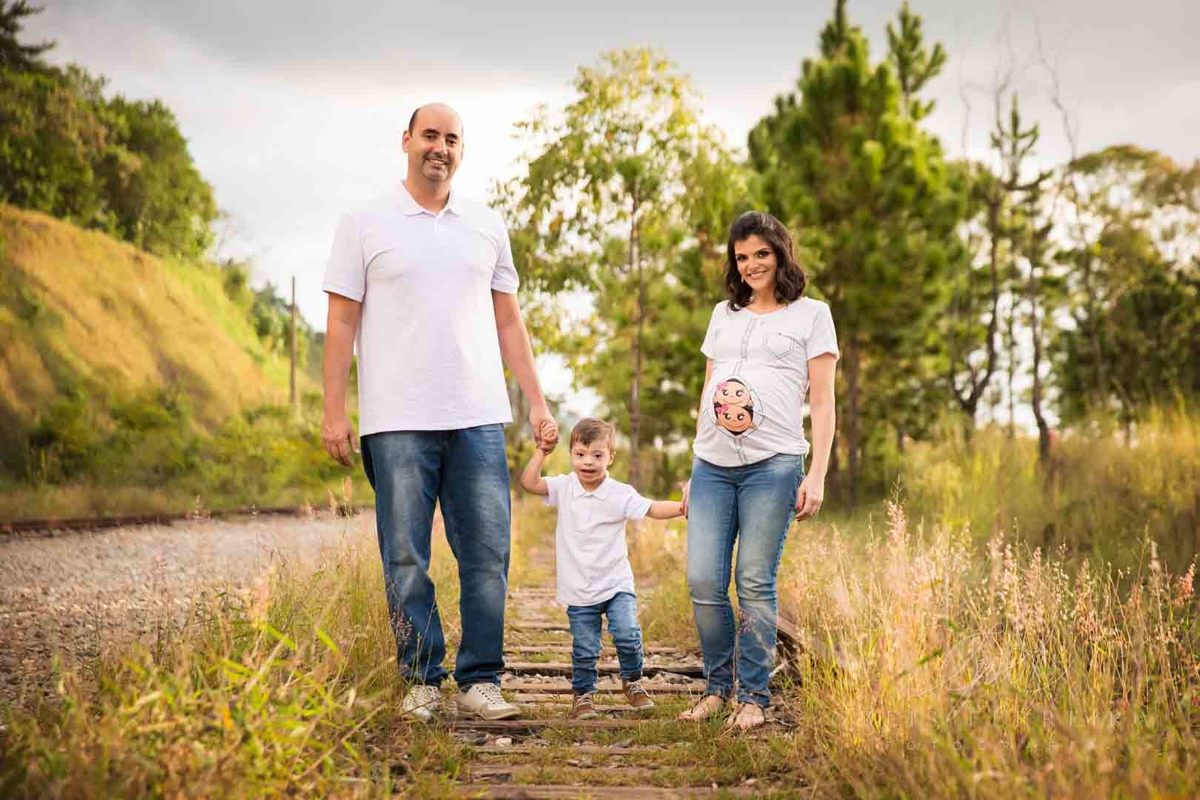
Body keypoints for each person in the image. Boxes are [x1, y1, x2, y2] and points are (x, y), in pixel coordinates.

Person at [321, 103, 558, 723]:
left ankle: (482, 679)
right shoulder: (364, 223)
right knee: (404, 555)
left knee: (487, 555)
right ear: (406, 140)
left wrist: (535, 400)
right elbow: (341, 321)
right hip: (394, 419)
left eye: (452, 139)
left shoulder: (485, 225)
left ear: (462, 150)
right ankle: (420, 678)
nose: (440, 147)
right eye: (430, 135)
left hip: (477, 415)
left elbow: (508, 318)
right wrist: (333, 410)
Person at [678, 211, 837, 730]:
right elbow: (708, 390)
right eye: (742, 257)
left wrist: (816, 475)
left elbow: (824, 401)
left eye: (761, 254)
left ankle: (754, 697)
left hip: (774, 465)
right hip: (712, 466)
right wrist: (693, 465)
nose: (751, 266)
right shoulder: (723, 314)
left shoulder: (812, 315)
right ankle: (717, 689)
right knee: (703, 579)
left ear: (781, 253)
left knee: (753, 580)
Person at [519, 418, 683, 720]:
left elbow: (651, 508)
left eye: (597, 455)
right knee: (585, 647)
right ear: (570, 455)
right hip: (579, 589)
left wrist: (683, 508)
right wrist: (542, 451)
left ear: (611, 457)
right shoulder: (564, 487)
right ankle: (583, 695)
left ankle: (632, 681)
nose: (588, 462)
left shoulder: (619, 493)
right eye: (580, 454)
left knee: (627, 633)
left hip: (616, 583)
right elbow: (529, 483)